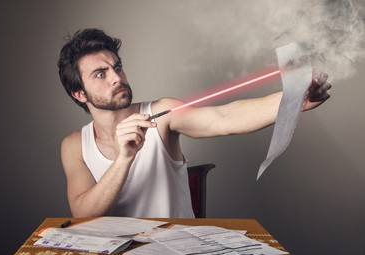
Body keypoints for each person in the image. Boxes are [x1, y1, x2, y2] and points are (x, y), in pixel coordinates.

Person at [57, 28, 331, 218]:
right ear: (79, 93)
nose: (117, 78)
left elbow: (224, 118)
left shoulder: (162, 113)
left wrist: (293, 100)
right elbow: (84, 213)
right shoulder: (73, 145)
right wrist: (123, 159)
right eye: (100, 74)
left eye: (117, 67)